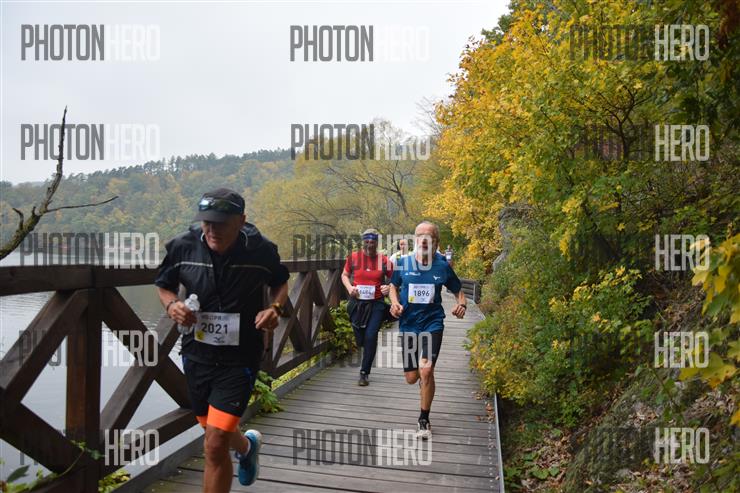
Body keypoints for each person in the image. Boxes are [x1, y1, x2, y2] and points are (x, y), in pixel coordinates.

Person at [155, 188, 289, 492]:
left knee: (214, 443)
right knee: (216, 430)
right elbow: (164, 285)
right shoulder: (183, 246)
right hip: (197, 354)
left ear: (241, 221)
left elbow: (280, 282)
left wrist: (275, 308)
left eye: (221, 223)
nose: (212, 230)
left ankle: (240, 450)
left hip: (241, 357)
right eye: (207, 222)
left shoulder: (261, 250)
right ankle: (247, 448)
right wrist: (172, 305)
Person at [389, 221, 467, 439]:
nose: (423, 240)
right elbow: (393, 286)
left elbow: (459, 291)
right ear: (415, 239)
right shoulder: (403, 263)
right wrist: (394, 303)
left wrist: (462, 304)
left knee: (426, 370)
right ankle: (425, 383)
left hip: (433, 322)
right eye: (419, 236)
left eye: (428, 236)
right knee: (411, 377)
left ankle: (424, 419)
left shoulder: (442, 266)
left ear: (436, 242)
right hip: (408, 324)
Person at [341, 228, 393, 386]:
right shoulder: (353, 258)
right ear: (363, 242)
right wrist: (350, 288)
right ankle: (366, 346)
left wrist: (388, 287)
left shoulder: (384, 261)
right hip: (357, 303)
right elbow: (344, 275)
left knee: (371, 335)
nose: (370, 245)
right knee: (360, 339)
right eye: (367, 241)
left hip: (376, 304)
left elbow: (396, 279)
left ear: (377, 243)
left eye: (373, 242)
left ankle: (364, 372)